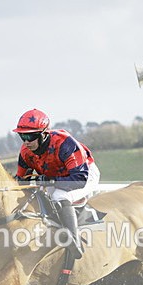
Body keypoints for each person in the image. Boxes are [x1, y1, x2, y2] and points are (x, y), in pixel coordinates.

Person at [14, 108, 100, 258]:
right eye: (23, 136)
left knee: (59, 196)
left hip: (84, 175)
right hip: (57, 178)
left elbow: (79, 180)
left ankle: (74, 241)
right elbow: (21, 182)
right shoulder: (25, 152)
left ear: (44, 134)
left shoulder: (65, 143)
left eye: (30, 136)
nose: (26, 142)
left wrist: (49, 181)